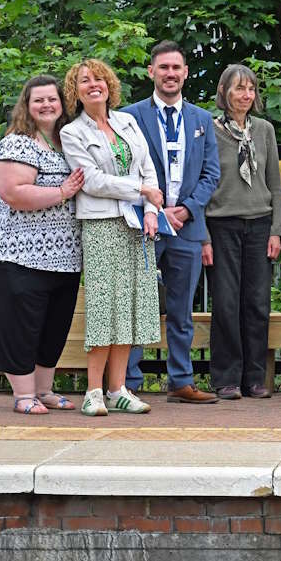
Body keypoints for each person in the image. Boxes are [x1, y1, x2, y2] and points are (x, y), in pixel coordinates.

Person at [0, 76, 85, 414]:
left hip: (64, 255)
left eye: (52, 99)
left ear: (62, 103)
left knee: (53, 326)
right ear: (26, 105)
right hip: (16, 253)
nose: (46, 106)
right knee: (20, 324)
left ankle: (44, 390)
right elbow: (13, 193)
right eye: (38, 100)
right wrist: (63, 192)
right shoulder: (17, 143)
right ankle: (23, 395)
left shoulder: (68, 140)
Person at [61, 59, 163, 416]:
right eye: (85, 81)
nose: (94, 85)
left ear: (109, 85)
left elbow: (148, 167)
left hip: (135, 225)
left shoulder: (128, 121)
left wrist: (151, 210)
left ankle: (118, 389)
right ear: (76, 91)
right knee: (105, 305)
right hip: (101, 225)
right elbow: (91, 181)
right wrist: (141, 191)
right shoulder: (72, 133)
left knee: (130, 305)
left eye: (99, 78)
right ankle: (93, 391)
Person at [121, 40, 221, 404]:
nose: (170, 74)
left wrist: (188, 209)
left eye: (176, 68)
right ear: (151, 72)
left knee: (181, 311)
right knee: (138, 305)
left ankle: (180, 380)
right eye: (163, 67)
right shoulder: (129, 116)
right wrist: (155, 208)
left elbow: (212, 173)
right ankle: (128, 382)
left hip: (187, 228)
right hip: (145, 224)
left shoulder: (202, 119)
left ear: (186, 73)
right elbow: (127, 168)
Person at [203, 64, 281, 400]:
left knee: (257, 302)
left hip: (260, 224)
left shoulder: (263, 130)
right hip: (221, 224)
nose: (246, 95)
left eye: (250, 89)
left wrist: (276, 230)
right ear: (224, 92)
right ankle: (226, 378)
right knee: (225, 302)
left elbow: (275, 186)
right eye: (238, 88)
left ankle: (254, 378)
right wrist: (203, 236)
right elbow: (201, 181)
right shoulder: (209, 129)